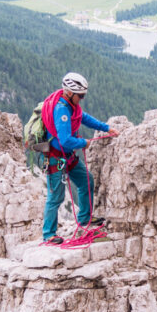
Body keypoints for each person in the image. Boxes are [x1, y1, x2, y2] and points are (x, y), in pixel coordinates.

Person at [40, 72, 118, 243]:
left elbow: (84, 118)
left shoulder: (72, 106)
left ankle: (84, 218)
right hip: (55, 158)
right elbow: (65, 140)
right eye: (80, 95)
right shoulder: (62, 109)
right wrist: (84, 143)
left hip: (66, 156)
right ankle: (48, 234)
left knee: (86, 180)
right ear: (69, 92)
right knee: (56, 196)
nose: (82, 98)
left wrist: (106, 128)